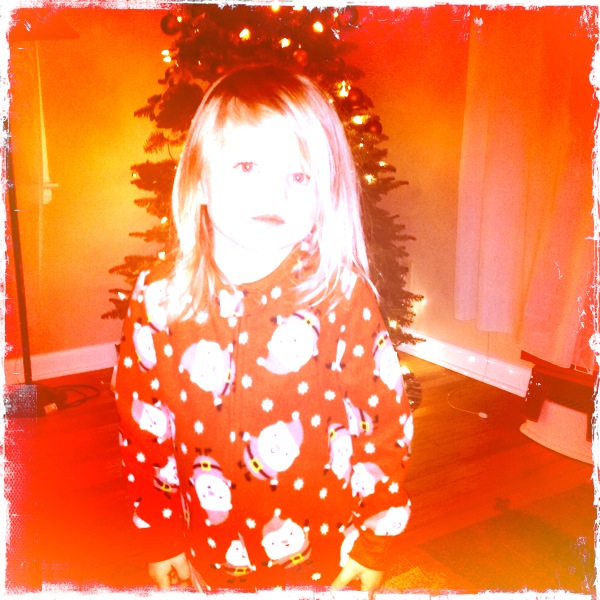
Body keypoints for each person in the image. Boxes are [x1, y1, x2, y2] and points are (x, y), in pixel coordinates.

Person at [114, 63, 413, 594]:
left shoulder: (340, 296)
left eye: (299, 177)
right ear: (199, 182)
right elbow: (144, 430)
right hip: (210, 551)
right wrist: (160, 533)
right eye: (247, 166)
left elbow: (383, 422)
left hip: (320, 554)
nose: (276, 192)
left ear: (323, 194)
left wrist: (374, 534)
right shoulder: (160, 299)